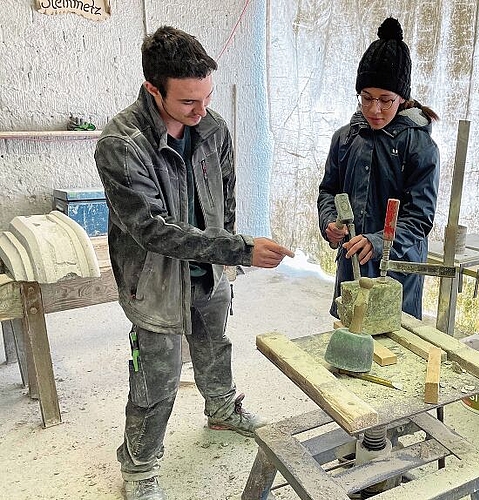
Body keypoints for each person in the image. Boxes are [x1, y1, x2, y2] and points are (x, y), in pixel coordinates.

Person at [94, 26, 294, 500]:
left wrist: (225, 257)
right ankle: (140, 467)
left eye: (206, 97)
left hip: (208, 267)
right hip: (155, 278)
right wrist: (238, 249)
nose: (201, 112)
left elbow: (224, 197)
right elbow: (153, 231)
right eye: (187, 102)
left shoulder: (213, 128)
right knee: (157, 378)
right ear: (152, 89)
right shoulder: (121, 145)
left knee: (213, 344)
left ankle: (222, 408)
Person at [317, 17, 440, 320]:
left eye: (386, 100)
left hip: (396, 271)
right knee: (349, 339)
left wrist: (377, 241)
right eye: (367, 98)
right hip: (351, 268)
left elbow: (419, 218)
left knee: (393, 347)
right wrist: (330, 223)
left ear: (402, 98)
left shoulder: (418, 146)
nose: (374, 109)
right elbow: (328, 191)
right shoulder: (345, 138)